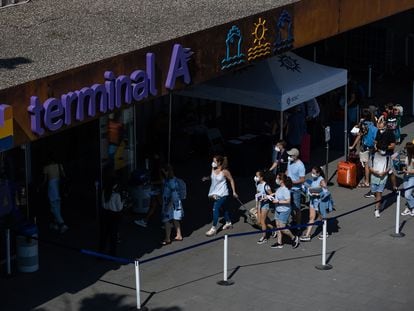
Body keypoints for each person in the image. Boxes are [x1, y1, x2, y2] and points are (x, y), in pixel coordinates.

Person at [202, 155, 238, 237]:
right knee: (224, 208)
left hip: (223, 193)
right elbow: (213, 177)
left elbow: (231, 180)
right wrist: (207, 178)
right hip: (214, 193)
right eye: (213, 161)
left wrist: (234, 192)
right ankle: (228, 222)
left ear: (219, 162)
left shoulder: (225, 171)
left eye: (214, 161)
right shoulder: (213, 169)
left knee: (215, 208)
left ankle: (213, 228)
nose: (213, 163)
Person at [365, 117, 396, 198]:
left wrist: (384, 147)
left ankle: (394, 187)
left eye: (381, 127)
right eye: (378, 127)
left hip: (387, 155)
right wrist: (376, 145)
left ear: (385, 126)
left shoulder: (390, 133)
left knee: (390, 171)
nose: (379, 128)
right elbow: (376, 141)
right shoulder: (379, 131)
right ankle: (373, 191)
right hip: (378, 155)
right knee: (374, 170)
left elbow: (392, 146)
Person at [300, 166, 333, 241]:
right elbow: (310, 188)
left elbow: (326, 192)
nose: (312, 174)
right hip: (312, 201)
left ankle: (325, 232)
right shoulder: (313, 179)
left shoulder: (322, 181)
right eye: (312, 172)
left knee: (321, 217)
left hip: (319, 202)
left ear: (318, 173)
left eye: (314, 173)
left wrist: (318, 194)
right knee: (311, 217)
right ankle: (308, 235)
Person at [269, 173, 299, 249]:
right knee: (278, 226)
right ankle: (279, 243)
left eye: (277, 178)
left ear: (281, 180)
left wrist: (278, 202)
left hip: (284, 210)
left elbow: (288, 201)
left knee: (282, 227)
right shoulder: (279, 188)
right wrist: (270, 196)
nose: (276, 180)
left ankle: (294, 238)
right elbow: (277, 193)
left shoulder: (286, 190)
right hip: (278, 209)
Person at [349, 110, 378, 188]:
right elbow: (376, 139)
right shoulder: (374, 127)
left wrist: (353, 146)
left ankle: (367, 182)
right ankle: (371, 179)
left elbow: (358, 135)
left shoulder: (362, 126)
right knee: (371, 163)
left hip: (365, 147)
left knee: (366, 165)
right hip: (372, 147)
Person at [42, 153, 68, 233]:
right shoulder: (59, 165)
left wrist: (40, 186)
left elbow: (45, 180)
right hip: (58, 185)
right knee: (57, 205)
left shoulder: (46, 167)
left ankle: (62, 224)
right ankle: (55, 223)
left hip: (51, 187)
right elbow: (64, 175)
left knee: (53, 207)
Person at [160, 165, 184, 245]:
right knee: (175, 219)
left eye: (163, 172)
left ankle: (167, 238)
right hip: (175, 203)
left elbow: (172, 195)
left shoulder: (170, 182)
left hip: (170, 203)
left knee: (166, 220)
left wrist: (167, 205)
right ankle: (178, 235)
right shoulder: (174, 179)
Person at [99, 178, 124, 256]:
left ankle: (101, 252)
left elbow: (103, 204)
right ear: (114, 185)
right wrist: (123, 202)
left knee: (104, 235)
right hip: (114, 216)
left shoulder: (104, 192)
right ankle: (112, 253)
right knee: (113, 236)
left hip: (105, 214)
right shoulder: (116, 195)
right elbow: (119, 208)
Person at [368, 145, 391, 218]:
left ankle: (376, 210)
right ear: (377, 149)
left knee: (379, 193)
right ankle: (380, 201)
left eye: (384, 149)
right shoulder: (372, 156)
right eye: (382, 149)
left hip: (383, 178)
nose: (383, 150)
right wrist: (375, 172)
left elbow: (388, 167)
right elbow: (370, 167)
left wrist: (384, 173)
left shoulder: (388, 157)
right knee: (375, 192)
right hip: (374, 177)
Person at [286, 148, 305, 230]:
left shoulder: (300, 165)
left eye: (290, 155)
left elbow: (302, 179)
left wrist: (292, 182)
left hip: (296, 190)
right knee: (288, 206)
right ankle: (293, 219)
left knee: (297, 207)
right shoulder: (290, 162)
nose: (289, 157)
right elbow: (287, 171)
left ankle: (298, 225)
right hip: (288, 188)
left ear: (295, 156)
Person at [254, 170, 274, 244]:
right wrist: (256, 205)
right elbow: (257, 195)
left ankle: (264, 237)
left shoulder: (266, 186)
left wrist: (265, 197)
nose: (255, 177)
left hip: (265, 205)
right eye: (255, 176)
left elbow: (272, 195)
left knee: (262, 221)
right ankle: (273, 229)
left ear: (261, 177)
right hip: (259, 205)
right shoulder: (258, 184)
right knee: (259, 222)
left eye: (257, 176)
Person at [401, 142, 414, 216]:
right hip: (406, 176)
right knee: (408, 193)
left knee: (407, 194)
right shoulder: (407, 156)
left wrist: (408, 171)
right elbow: (406, 164)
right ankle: (409, 208)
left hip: (412, 177)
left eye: (406, 148)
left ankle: (412, 207)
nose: (405, 149)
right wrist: (404, 168)